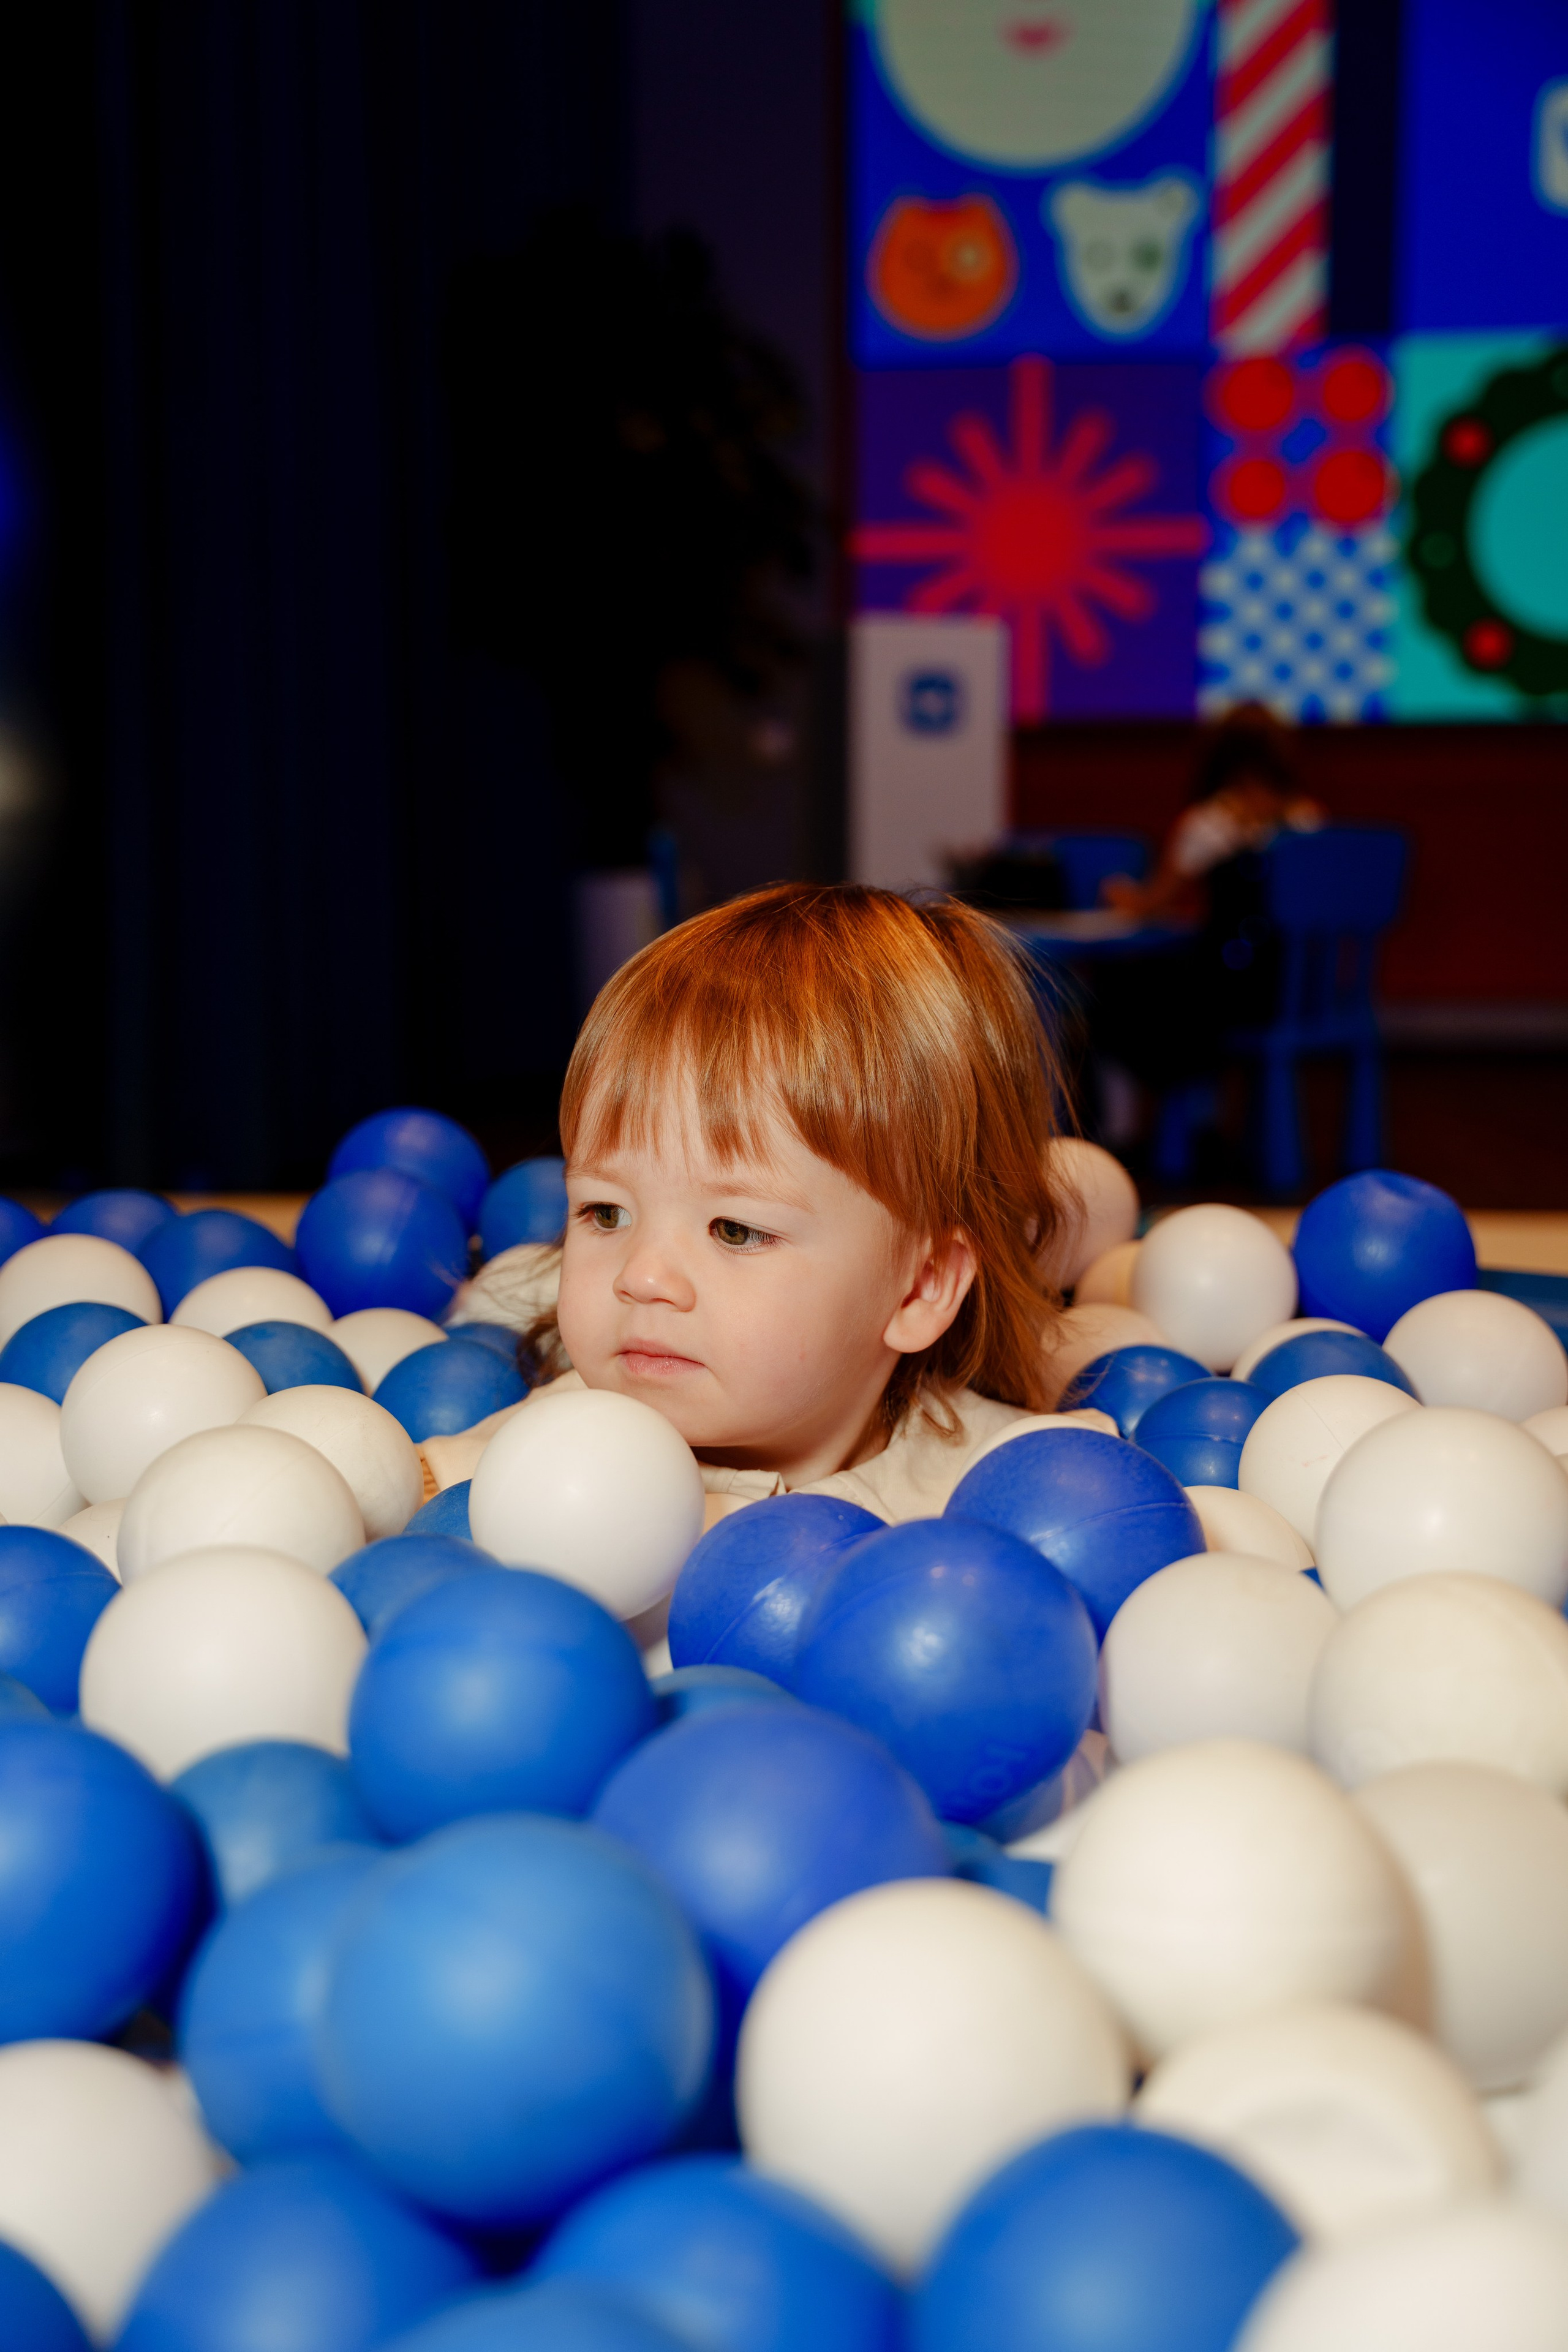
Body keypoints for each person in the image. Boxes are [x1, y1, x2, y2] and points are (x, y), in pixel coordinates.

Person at [425, 882, 1110, 1526]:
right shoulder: (549, 1453)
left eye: (734, 1230)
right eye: (606, 1214)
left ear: (920, 1287)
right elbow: (404, 1489)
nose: (642, 1276)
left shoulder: (1011, 1487)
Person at [1082, 709, 1326, 1111]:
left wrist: (1120, 895)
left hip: (1229, 996)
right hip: (1298, 989)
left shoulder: (1210, 822)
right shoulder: (1308, 820)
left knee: (1113, 992)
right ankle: (1201, 1121)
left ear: (1218, 758)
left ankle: (1122, 1124)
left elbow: (1152, 904)